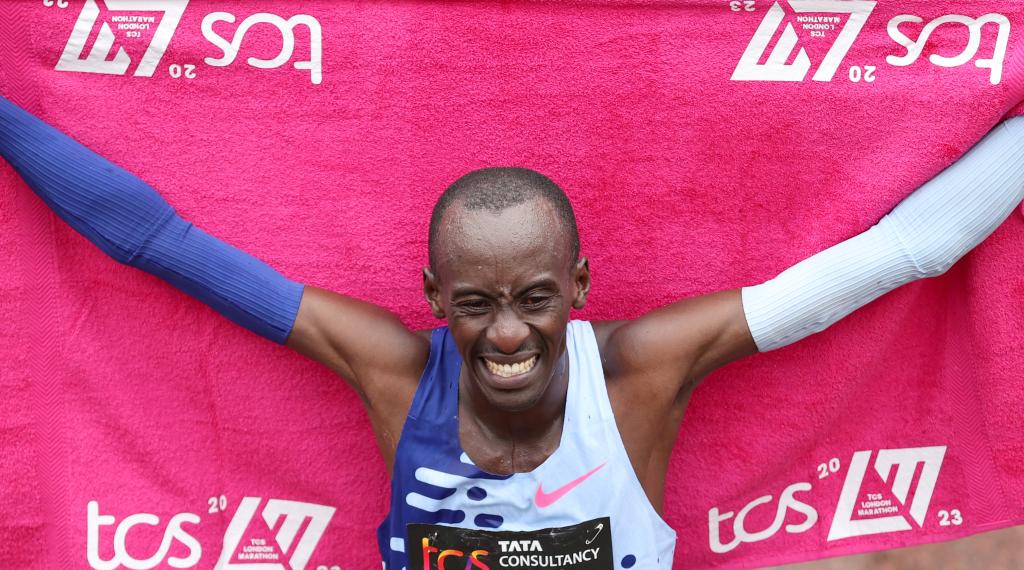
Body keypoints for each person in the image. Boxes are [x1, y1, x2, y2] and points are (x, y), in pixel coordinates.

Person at [2, 93, 1023, 569]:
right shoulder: (393, 372)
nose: (504, 335)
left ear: (578, 285)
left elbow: (904, 252)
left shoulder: (640, 373)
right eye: (474, 304)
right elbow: (161, 243)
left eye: (533, 298)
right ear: (432, 294)